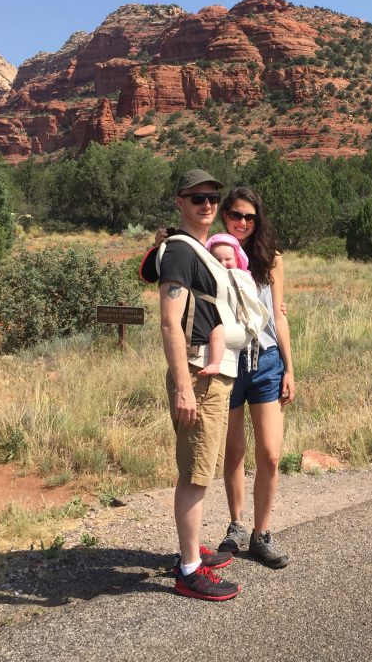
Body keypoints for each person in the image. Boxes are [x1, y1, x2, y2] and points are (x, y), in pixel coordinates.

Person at [157, 169, 241, 601]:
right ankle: (189, 569)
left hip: (210, 373)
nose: (206, 205)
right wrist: (183, 387)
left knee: (202, 467)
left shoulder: (197, 250)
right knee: (195, 472)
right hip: (195, 373)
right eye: (197, 199)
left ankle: (191, 551)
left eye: (213, 197)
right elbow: (170, 322)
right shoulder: (179, 251)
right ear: (180, 203)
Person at [216, 186, 296, 569]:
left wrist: (289, 367)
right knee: (234, 453)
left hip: (266, 362)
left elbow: (279, 315)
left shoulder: (271, 259)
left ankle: (260, 534)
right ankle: (235, 525)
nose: (242, 222)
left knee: (270, 453)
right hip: (229, 360)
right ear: (225, 215)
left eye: (250, 216)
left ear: (258, 218)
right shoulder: (214, 253)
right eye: (236, 214)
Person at [198, 233, 254, 377]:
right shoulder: (213, 276)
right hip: (227, 320)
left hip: (239, 322)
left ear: (237, 258)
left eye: (228, 259)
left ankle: (215, 363)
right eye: (217, 260)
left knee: (218, 332)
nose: (223, 263)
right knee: (217, 331)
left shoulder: (242, 276)